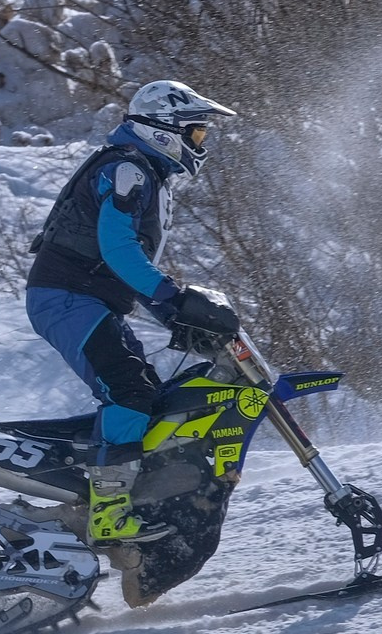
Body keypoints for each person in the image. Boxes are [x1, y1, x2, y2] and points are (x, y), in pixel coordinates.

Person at [24, 79, 241, 544]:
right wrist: (173, 299)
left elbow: (121, 264)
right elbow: (119, 250)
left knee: (148, 394)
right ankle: (107, 513)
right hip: (66, 297)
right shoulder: (129, 170)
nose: (201, 142)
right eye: (197, 132)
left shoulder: (141, 171)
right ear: (166, 128)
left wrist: (173, 314)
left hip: (82, 297)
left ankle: (129, 492)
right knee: (128, 392)